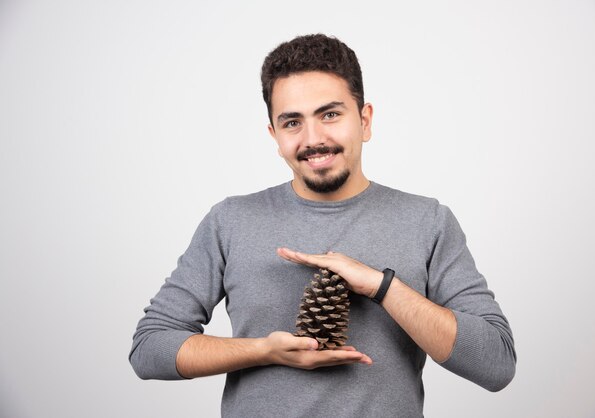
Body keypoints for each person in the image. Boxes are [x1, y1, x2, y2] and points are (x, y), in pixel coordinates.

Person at [129, 33, 516, 417]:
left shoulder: (427, 221)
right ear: (274, 135)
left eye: (330, 114)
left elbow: (496, 364)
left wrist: (381, 286)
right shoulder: (230, 221)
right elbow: (150, 349)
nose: (313, 139)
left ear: (364, 121)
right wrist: (264, 350)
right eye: (292, 122)